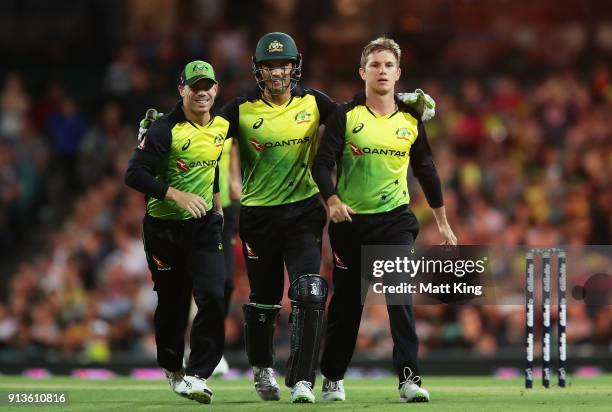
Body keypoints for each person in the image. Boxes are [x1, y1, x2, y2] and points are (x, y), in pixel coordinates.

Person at [138, 32, 437, 403]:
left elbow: (356, 112)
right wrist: (159, 129)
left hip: (304, 213)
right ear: (258, 70)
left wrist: (402, 101)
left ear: (295, 67)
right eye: (269, 66)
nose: (277, 73)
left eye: (283, 65)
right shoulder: (241, 108)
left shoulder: (314, 102)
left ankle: (302, 381)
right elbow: (202, 121)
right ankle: (263, 367)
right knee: (263, 301)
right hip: (258, 216)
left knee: (310, 291)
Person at [312, 37, 457, 403]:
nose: (382, 71)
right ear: (362, 72)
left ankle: (409, 377)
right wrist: (331, 200)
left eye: (388, 65)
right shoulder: (345, 116)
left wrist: (442, 221)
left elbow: (425, 168)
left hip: (395, 221)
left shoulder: (410, 119)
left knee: (399, 297)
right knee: (347, 304)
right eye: (375, 65)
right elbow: (322, 163)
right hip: (351, 223)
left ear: (398, 73)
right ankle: (332, 378)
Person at [125, 60, 229, 404]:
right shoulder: (163, 130)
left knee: (214, 294)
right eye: (194, 86)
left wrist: (215, 203)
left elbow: (211, 166)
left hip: (202, 228)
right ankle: (172, 366)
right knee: (172, 304)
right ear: (181, 89)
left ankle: (198, 373)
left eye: (207, 86)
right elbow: (135, 174)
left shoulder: (221, 127)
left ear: (216, 89)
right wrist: (176, 195)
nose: (201, 92)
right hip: (163, 231)